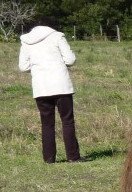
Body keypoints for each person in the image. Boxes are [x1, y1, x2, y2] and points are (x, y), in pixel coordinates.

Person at [18, 18, 87, 163]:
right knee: (67, 121)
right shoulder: (57, 36)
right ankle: (73, 156)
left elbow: (23, 66)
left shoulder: (26, 41)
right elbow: (70, 59)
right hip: (61, 85)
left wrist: (38, 67)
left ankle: (49, 158)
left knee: (47, 123)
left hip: (41, 86)